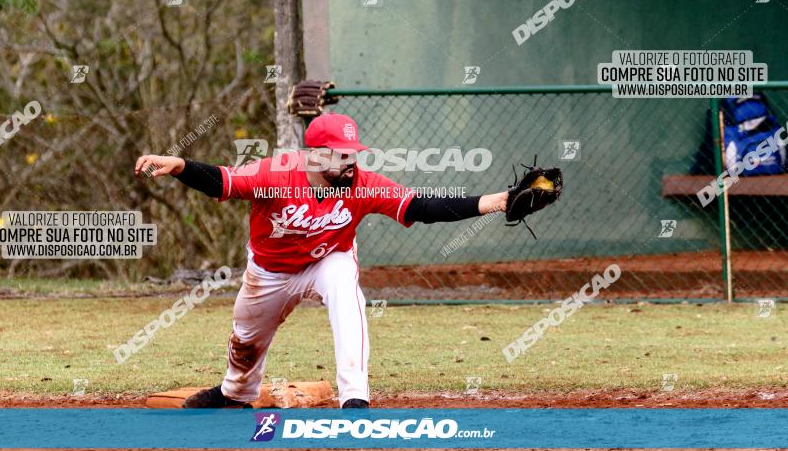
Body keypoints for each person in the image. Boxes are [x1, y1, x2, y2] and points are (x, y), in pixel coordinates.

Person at [134, 113, 509, 408]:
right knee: (245, 339)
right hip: (269, 272)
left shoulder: (362, 183)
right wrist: (181, 165)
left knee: (348, 297)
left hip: (329, 260)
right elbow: (223, 181)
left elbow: (421, 206)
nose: (350, 164)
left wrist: (497, 201)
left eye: (353, 155)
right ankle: (235, 393)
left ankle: (354, 398)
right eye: (341, 156)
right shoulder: (274, 173)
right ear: (315, 155)